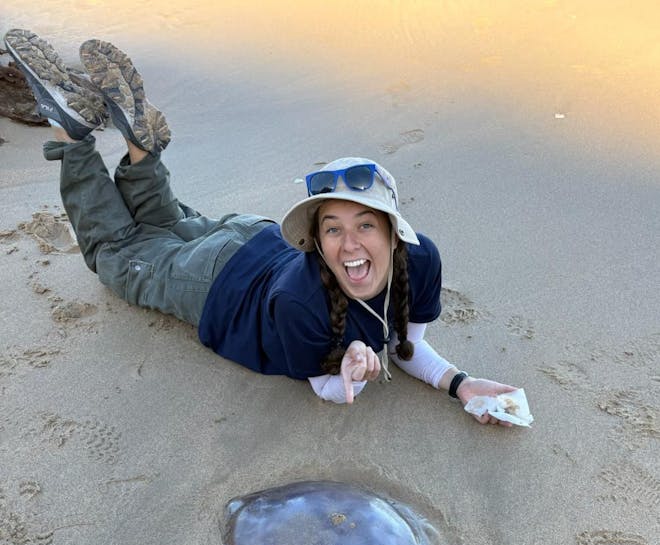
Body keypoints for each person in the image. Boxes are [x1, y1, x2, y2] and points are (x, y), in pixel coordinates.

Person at [4, 29, 520, 424]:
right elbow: (326, 389)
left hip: (256, 235)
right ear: (316, 240)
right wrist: (352, 376)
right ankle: (72, 137)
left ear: (394, 231)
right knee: (116, 252)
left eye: (366, 225)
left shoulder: (422, 259)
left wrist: (460, 384)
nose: (350, 244)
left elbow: (405, 346)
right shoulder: (302, 302)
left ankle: (141, 149)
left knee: (162, 223)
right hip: (215, 285)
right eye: (333, 229)